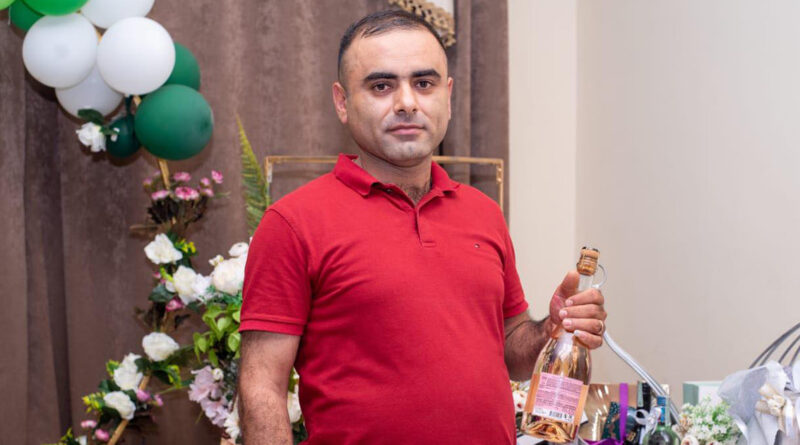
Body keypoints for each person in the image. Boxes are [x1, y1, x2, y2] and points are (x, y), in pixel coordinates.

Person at [237, 9, 607, 445]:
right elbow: (261, 386)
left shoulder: (483, 212)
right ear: (342, 102)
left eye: (424, 83)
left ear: (447, 96)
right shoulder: (293, 223)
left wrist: (550, 331)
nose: (407, 103)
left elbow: (511, 350)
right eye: (381, 86)